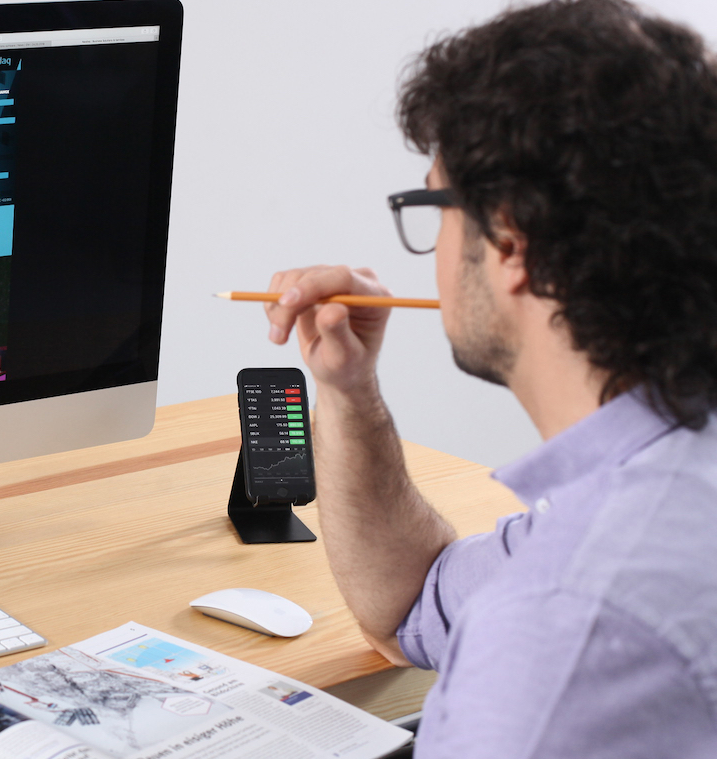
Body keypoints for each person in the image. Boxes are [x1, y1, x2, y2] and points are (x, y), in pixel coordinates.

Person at [262, 1, 717, 756]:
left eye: (438, 206)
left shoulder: (563, 620)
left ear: (508, 239)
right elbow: (409, 607)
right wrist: (348, 390)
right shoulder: (657, 481)